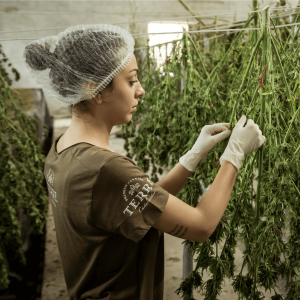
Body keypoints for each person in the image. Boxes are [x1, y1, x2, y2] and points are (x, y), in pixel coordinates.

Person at [23, 24, 266, 300]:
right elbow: (201, 225)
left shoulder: (62, 150)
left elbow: (140, 206)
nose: (141, 90)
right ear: (96, 90)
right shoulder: (106, 170)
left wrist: (191, 158)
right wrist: (234, 155)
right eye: (131, 80)